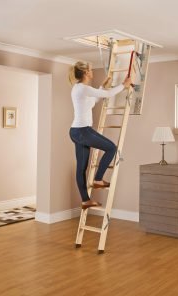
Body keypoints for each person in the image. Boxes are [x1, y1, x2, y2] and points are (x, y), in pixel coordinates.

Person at [69, 61, 132, 209]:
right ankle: (98, 179)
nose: (92, 72)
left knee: (81, 168)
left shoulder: (78, 88)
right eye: (91, 70)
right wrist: (124, 85)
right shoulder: (83, 89)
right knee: (111, 148)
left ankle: (85, 200)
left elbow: (93, 102)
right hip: (83, 131)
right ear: (85, 73)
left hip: (76, 131)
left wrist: (102, 87)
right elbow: (109, 94)